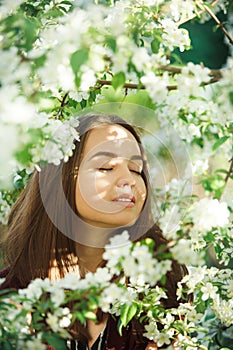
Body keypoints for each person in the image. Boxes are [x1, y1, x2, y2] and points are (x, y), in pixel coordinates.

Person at [0, 113, 187, 349]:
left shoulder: (165, 287)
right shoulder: (11, 298)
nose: (128, 180)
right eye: (106, 167)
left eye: (136, 169)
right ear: (60, 177)